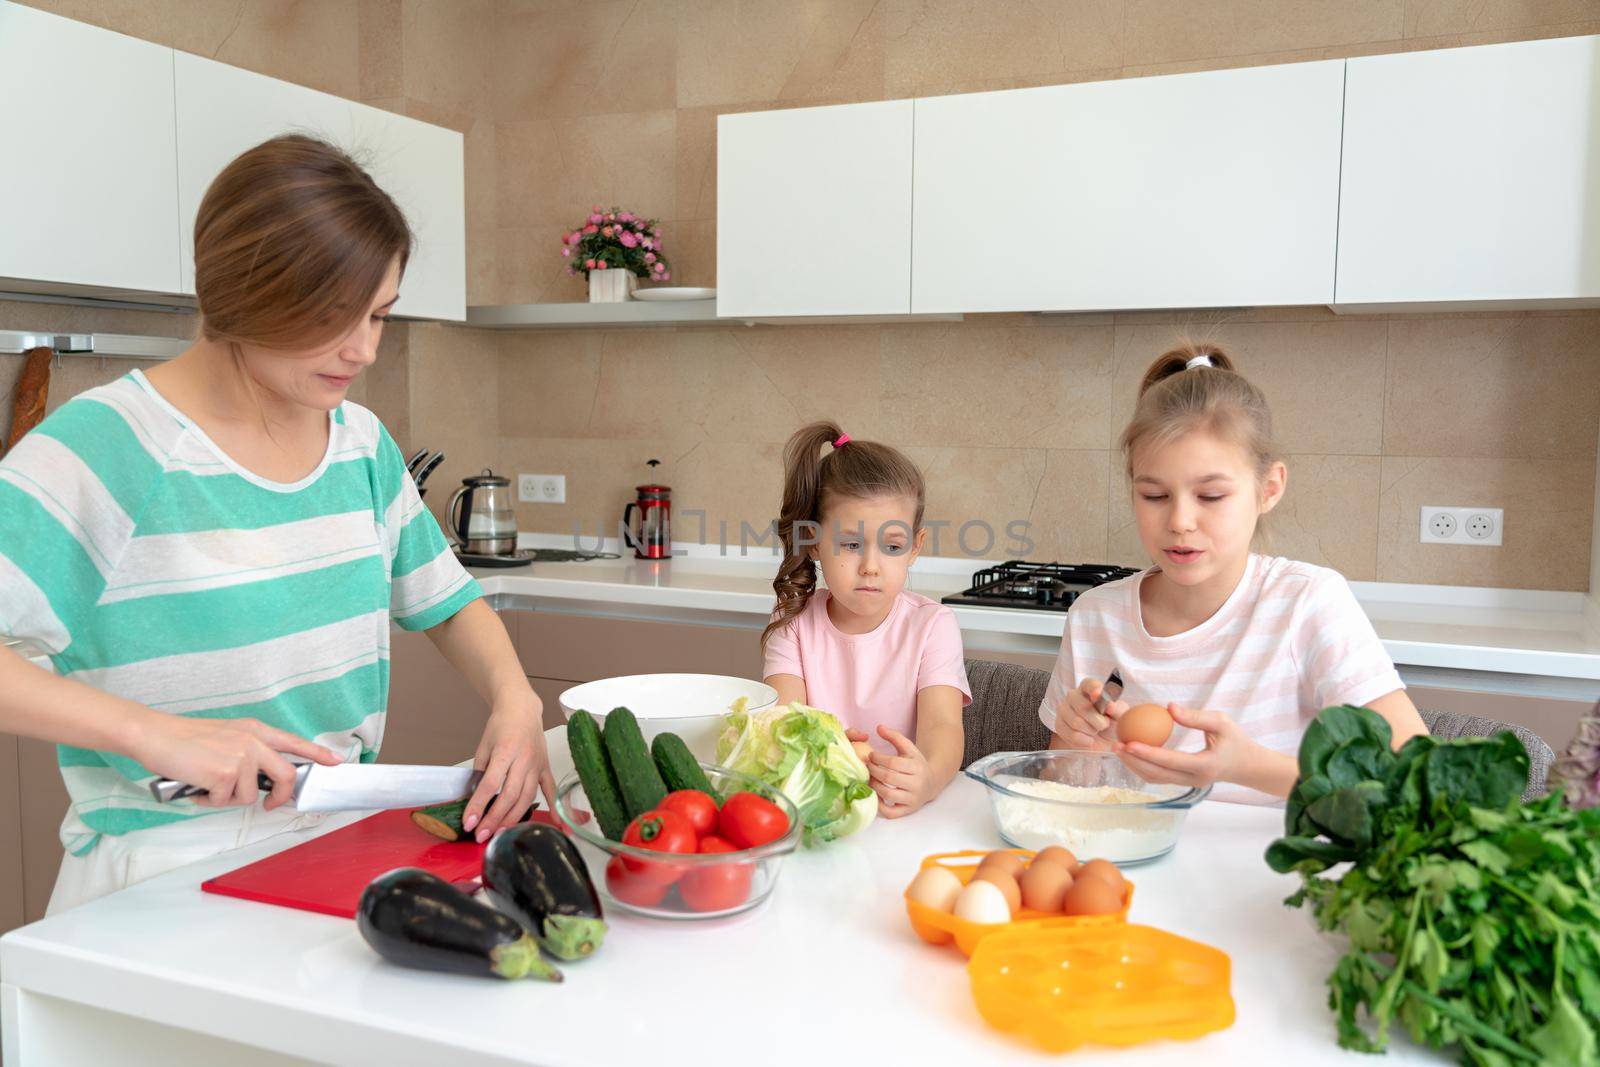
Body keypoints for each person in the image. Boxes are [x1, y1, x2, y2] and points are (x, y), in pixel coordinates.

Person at [0, 135, 554, 911]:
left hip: (332, 843)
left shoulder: (359, 443)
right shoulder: (110, 446)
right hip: (164, 876)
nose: (363, 349)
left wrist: (516, 699)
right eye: (334, 318)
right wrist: (157, 734)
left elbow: (450, 600)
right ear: (247, 293)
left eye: (380, 316)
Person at [1042, 342, 1428, 803]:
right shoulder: (1095, 616)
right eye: (1154, 496)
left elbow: (1415, 779)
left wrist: (1245, 768)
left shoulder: (1306, 603)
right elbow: (1056, 796)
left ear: (1269, 489)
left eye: (1210, 497)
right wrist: (1080, 747)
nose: (1180, 520)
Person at [761, 421, 971, 818]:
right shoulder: (793, 625)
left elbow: (943, 728)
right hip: (820, 808)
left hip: (903, 814)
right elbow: (783, 726)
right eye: (851, 544)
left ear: (915, 547)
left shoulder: (933, 625)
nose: (871, 566)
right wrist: (831, 755)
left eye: (892, 546)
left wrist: (926, 780)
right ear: (814, 542)